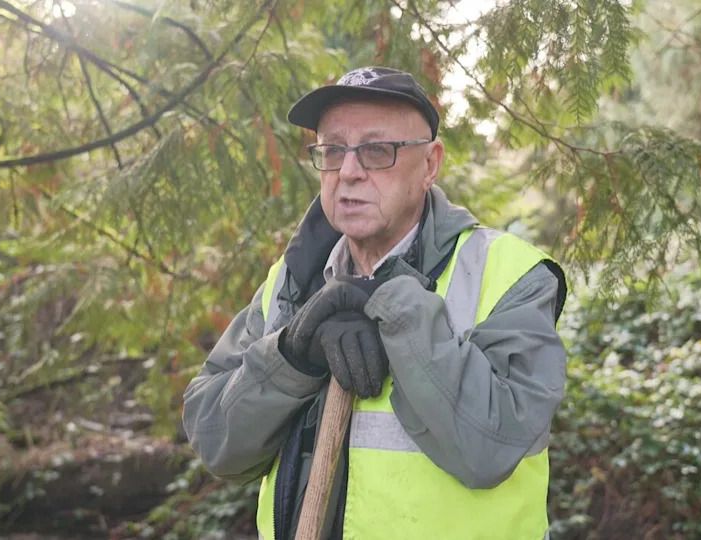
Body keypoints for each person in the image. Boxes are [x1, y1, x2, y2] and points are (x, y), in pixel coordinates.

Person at [182, 66, 567, 540]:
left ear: (430, 165)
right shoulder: (291, 282)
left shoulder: (510, 274)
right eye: (332, 150)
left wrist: (393, 309)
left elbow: (490, 446)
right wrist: (292, 358)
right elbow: (217, 443)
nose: (347, 171)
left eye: (376, 150)